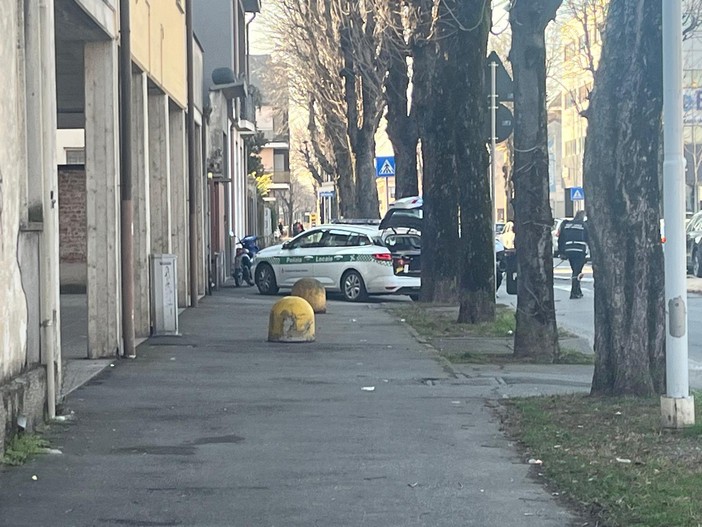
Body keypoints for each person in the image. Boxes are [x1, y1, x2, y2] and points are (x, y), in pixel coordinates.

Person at [558, 210, 589, 299]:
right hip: (579, 251)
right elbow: (589, 239)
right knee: (577, 271)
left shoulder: (567, 225)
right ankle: (574, 291)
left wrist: (562, 252)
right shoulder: (583, 225)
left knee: (575, 270)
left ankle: (578, 290)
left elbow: (561, 239)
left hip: (569, 250)